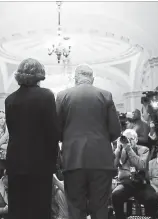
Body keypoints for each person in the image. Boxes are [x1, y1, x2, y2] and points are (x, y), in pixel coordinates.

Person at [56, 64, 121, 219]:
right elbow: (115, 131)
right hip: (101, 160)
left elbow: (56, 130)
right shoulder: (105, 95)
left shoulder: (62, 96)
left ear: (75, 78)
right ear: (92, 78)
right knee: (100, 207)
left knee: (76, 207)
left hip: (73, 160)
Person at [5, 58, 59, 219]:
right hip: (40, 161)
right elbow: (52, 131)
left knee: (17, 206)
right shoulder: (46, 95)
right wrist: (54, 159)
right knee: (39, 207)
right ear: (39, 74)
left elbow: (12, 129)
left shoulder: (10, 99)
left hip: (15, 159)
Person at [112, 129, 158, 219]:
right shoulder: (120, 150)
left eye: (131, 139)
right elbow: (114, 167)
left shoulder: (144, 149)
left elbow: (141, 165)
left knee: (152, 198)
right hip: (126, 183)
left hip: (141, 183)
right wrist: (118, 150)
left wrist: (129, 149)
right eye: (126, 139)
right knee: (116, 195)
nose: (128, 141)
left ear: (136, 140)